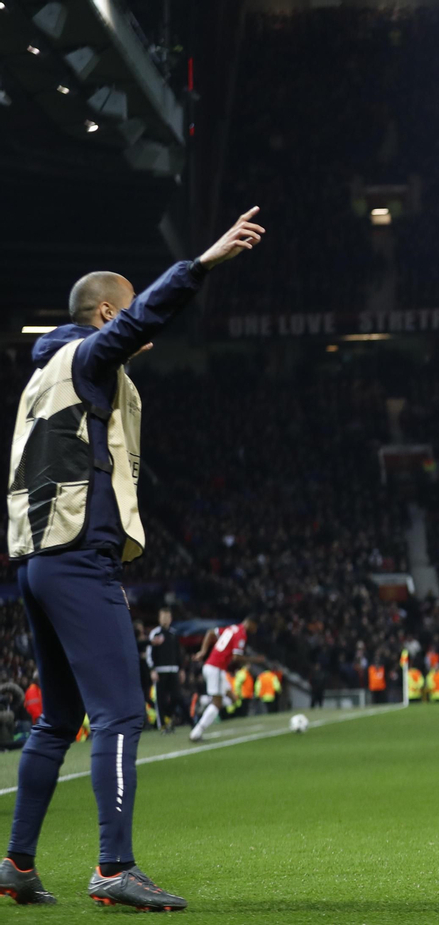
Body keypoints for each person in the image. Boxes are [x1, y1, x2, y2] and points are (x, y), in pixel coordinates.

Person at [0, 208, 263, 910]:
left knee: (56, 719)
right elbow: (140, 323)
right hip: (78, 555)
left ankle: (17, 862)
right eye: (128, 304)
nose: (133, 319)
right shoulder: (86, 356)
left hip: (36, 559)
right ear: (108, 310)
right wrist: (202, 264)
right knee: (119, 712)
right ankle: (114, 866)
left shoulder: (43, 372)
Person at [188, 618, 259, 742]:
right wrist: (255, 660)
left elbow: (210, 632)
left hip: (216, 669)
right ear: (251, 623)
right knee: (217, 704)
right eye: (255, 627)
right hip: (216, 669)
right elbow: (237, 657)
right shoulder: (241, 633)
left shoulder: (231, 628)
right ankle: (196, 732)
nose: (255, 630)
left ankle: (205, 701)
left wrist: (203, 651)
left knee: (233, 699)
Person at [144, 608, 183, 733]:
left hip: (173, 670)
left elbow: (178, 653)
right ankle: (162, 726)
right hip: (160, 671)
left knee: (177, 697)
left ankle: (168, 717)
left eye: (168, 617)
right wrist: (152, 669)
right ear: (159, 618)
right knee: (160, 699)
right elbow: (149, 652)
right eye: (163, 617)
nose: (166, 619)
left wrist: (181, 669)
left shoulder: (173, 634)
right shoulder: (155, 633)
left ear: (171, 618)